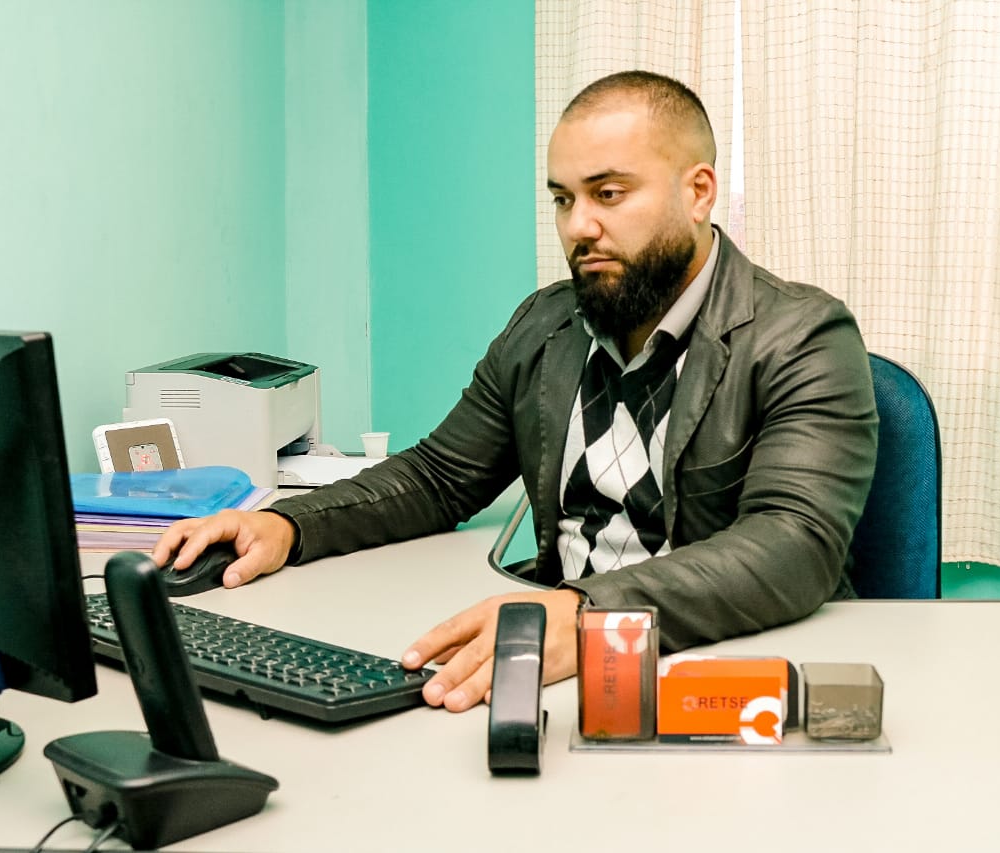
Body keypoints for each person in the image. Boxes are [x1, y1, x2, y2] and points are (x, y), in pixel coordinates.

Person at [153, 70, 878, 713]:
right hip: (556, 663)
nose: (579, 226)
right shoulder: (546, 324)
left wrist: (585, 613)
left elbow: (794, 544)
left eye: (608, 193)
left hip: (716, 667)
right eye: (564, 199)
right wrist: (288, 526)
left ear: (698, 192)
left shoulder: (802, 335)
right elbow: (439, 478)